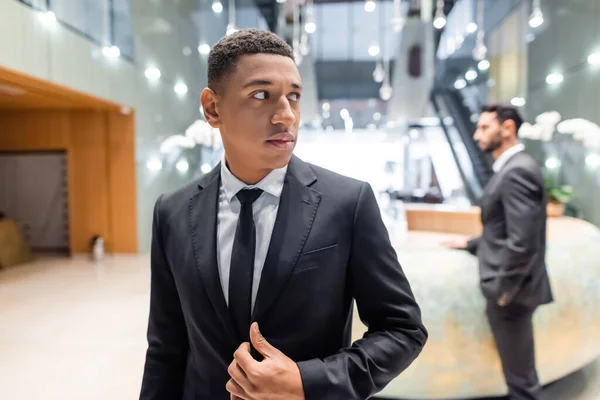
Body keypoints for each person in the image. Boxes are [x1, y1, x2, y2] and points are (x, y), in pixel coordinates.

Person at [139, 29, 427, 400]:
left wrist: (308, 382)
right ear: (213, 108)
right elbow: (166, 347)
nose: (286, 116)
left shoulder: (346, 202)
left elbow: (402, 330)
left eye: (294, 96)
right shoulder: (172, 211)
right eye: (262, 95)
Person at [444, 105, 553, 400]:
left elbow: (524, 242)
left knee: (522, 384)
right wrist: (471, 244)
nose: (477, 134)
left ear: (507, 128)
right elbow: (503, 229)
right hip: (513, 291)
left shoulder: (517, 171)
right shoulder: (511, 168)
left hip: (513, 295)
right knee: (519, 378)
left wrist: (502, 291)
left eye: (484, 127)